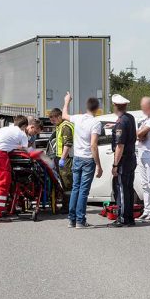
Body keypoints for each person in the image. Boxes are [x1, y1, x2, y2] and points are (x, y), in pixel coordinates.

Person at [0, 116, 43, 222]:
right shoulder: (21, 134)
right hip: (0, 154)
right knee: (4, 183)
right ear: (26, 126)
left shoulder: (4, 129)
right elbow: (27, 151)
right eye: (33, 131)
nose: (32, 134)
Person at [61, 93, 103, 228]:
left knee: (75, 189)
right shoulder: (95, 123)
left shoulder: (78, 118)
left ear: (87, 107)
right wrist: (98, 165)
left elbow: (64, 116)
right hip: (88, 159)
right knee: (83, 191)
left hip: (77, 158)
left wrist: (67, 101)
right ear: (97, 109)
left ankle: (72, 220)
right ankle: (80, 220)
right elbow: (93, 145)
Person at [108, 94, 137, 228]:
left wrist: (115, 164)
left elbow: (120, 146)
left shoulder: (121, 123)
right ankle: (129, 217)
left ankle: (123, 218)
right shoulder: (129, 118)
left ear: (115, 106)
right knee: (129, 188)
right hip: (131, 158)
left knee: (122, 189)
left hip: (124, 160)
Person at [49, 108, 74, 207]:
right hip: (61, 158)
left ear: (59, 117)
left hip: (66, 158)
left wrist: (62, 159)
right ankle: (67, 205)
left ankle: (68, 206)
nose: (52, 122)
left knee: (67, 182)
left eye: (54, 120)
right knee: (63, 182)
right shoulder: (60, 126)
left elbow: (68, 144)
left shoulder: (65, 127)